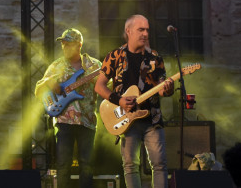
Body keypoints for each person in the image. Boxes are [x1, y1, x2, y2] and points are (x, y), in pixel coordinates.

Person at [94, 14, 174, 188]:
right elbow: (99, 86)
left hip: (152, 119)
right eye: (141, 29)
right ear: (128, 31)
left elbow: (161, 89)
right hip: (127, 119)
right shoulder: (114, 56)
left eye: (147, 30)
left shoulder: (155, 58)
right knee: (130, 166)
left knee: (159, 165)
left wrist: (168, 89)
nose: (145, 33)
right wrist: (120, 101)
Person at [35, 28, 101, 188]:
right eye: (63, 44)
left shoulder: (94, 66)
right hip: (64, 122)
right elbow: (37, 91)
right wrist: (47, 83)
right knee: (63, 165)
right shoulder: (56, 66)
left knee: (87, 165)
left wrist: (102, 82)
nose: (64, 47)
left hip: (87, 121)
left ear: (79, 45)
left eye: (68, 44)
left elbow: (107, 89)